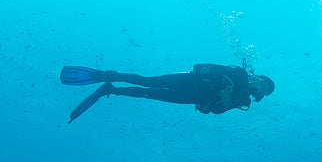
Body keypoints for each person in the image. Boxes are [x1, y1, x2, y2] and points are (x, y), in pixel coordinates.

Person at [61, 60, 274, 123]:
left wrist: (224, 100)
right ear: (258, 77)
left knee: (149, 95)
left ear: (260, 94)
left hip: (191, 97)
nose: (259, 85)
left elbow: (214, 112)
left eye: (263, 89)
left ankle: (111, 90)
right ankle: (111, 75)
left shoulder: (241, 100)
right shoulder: (238, 73)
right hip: (189, 81)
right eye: (261, 82)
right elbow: (208, 68)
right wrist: (223, 83)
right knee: (148, 82)